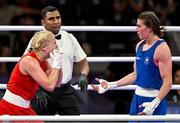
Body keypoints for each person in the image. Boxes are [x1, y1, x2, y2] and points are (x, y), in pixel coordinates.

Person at [91, 11, 172, 116]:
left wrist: (155, 103)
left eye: (139, 26)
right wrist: (110, 85)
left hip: (155, 99)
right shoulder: (139, 45)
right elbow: (135, 75)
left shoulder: (161, 48)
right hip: (137, 97)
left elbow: (168, 82)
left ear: (150, 28)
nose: (136, 30)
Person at [24, 6, 89, 115]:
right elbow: (27, 66)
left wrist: (83, 75)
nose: (56, 22)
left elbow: (84, 63)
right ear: (43, 22)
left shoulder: (70, 38)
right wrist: (36, 89)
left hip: (65, 90)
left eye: (58, 18)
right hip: (43, 90)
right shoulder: (36, 40)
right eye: (51, 19)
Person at [0, 30, 63, 116]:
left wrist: (59, 63)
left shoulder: (43, 61)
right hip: (11, 108)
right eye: (54, 43)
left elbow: (57, 84)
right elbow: (50, 86)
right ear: (44, 46)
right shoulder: (29, 61)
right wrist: (56, 64)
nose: (57, 46)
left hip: (25, 108)